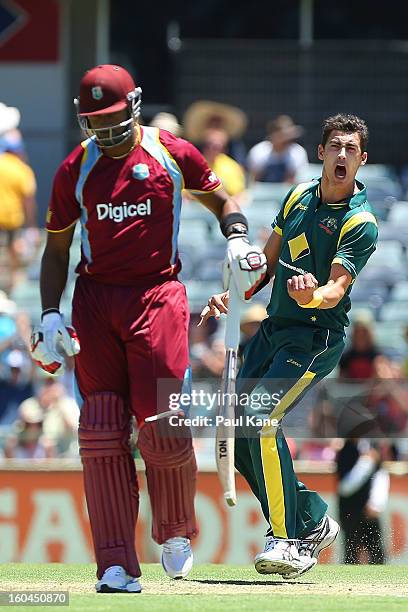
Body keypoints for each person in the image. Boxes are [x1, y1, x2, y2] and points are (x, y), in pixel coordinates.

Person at [29, 64, 266, 593]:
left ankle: (177, 532)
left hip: (158, 296)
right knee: (101, 429)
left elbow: (222, 200)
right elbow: (57, 247)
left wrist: (235, 237)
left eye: (115, 121)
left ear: (135, 104)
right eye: (97, 123)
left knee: (164, 420)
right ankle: (114, 562)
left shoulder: (171, 152)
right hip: (95, 301)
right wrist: (49, 313)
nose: (108, 135)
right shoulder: (76, 168)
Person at [200, 114, 378, 578]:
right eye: (335, 146)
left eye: (351, 149)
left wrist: (310, 295)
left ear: (362, 159)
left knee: (260, 419)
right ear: (320, 153)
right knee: (236, 434)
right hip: (274, 330)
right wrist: (235, 295)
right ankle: (313, 519)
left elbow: (336, 291)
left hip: (315, 337)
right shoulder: (298, 195)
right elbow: (270, 263)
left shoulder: (361, 222)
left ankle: (290, 540)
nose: (342, 155)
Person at [0, 103, 39, 293]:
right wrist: (31, 227)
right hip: (12, 225)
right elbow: (28, 201)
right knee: (13, 268)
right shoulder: (21, 169)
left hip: (9, 226)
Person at [337, 439, 389, 564]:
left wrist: (376, 503)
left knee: (377, 553)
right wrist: (365, 462)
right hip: (349, 511)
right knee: (351, 553)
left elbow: (381, 473)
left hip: (369, 510)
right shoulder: (345, 450)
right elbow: (345, 488)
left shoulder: (372, 444)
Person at [247, 115, 308, 183]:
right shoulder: (259, 151)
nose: (287, 140)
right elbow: (254, 179)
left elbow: (296, 180)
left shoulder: (297, 152)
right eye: (282, 136)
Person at [200, 128, 246, 199]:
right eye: (208, 145)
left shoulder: (232, 167)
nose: (211, 149)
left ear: (224, 149)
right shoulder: (195, 164)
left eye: (216, 147)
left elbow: (239, 194)